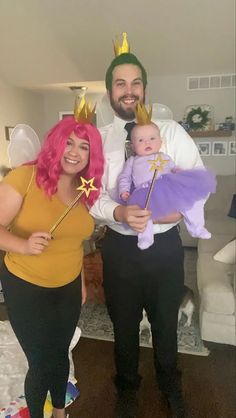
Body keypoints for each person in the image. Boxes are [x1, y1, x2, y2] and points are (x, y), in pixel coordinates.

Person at [90, 33, 207, 418]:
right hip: (120, 248)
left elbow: (196, 183)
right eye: (120, 83)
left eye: (135, 82)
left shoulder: (172, 132)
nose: (129, 90)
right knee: (122, 325)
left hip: (164, 247)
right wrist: (118, 213)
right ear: (109, 91)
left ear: (145, 88)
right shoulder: (100, 140)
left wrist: (169, 214)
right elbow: (91, 195)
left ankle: (170, 386)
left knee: (165, 324)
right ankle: (126, 389)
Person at [0, 99, 104, 418]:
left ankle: (59, 412)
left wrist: (82, 282)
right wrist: (22, 244)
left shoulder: (86, 192)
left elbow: (76, 243)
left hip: (69, 287)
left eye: (84, 146)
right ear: (56, 145)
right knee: (42, 361)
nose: (74, 151)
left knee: (60, 354)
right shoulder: (24, 177)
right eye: (69, 142)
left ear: (91, 156)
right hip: (25, 284)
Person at [117, 104, 216, 250]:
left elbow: (172, 168)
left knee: (191, 203)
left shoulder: (164, 156)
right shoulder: (133, 161)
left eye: (152, 138)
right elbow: (124, 177)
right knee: (143, 214)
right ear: (133, 146)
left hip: (167, 187)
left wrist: (178, 172)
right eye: (140, 140)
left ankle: (196, 227)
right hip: (144, 191)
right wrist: (123, 190)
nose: (147, 142)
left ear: (160, 142)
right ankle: (145, 238)